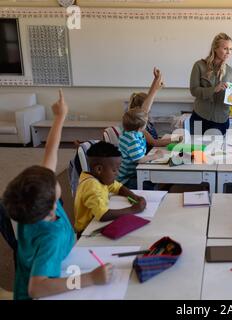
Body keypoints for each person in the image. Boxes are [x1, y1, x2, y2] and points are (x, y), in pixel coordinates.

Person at [2, 90, 112, 300]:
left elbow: (50, 153)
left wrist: (59, 117)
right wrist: (91, 279)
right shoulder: (49, 237)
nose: (52, 174)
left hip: (56, 269)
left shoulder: (33, 204)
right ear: (52, 203)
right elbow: (38, 287)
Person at [74, 141, 146, 234]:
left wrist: (134, 196)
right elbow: (103, 215)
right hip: (87, 232)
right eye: (114, 170)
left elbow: (118, 187)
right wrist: (133, 209)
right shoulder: (91, 185)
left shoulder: (100, 178)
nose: (117, 173)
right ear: (99, 169)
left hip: (96, 224)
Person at [189, 33, 232, 135]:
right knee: (197, 150)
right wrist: (213, 89)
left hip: (221, 121)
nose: (228, 52)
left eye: (230, 49)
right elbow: (194, 90)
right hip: (199, 117)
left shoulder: (230, 71)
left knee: (217, 151)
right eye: (225, 48)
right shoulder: (199, 66)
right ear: (215, 48)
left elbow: (230, 97)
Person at [117, 109, 162, 189]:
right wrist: (156, 155)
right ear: (141, 127)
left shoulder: (129, 132)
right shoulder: (132, 140)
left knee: (157, 180)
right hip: (127, 180)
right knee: (152, 184)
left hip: (132, 173)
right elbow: (140, 159)